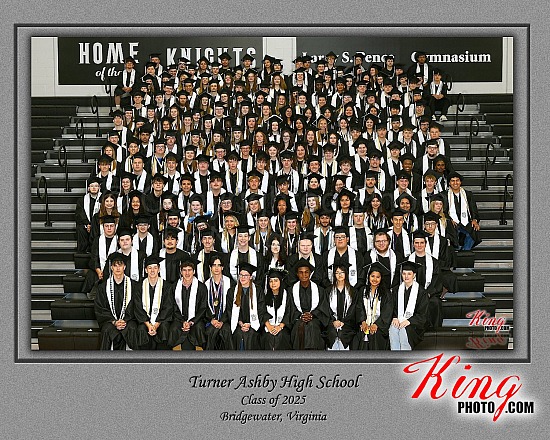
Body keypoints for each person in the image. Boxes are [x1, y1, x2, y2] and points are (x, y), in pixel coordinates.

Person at [94, 253, 138, 350]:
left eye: (120, 265)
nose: (118, 268)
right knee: (107, 330)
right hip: (110, 321)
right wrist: (114, 322)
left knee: (132, 328)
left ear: (124, 267)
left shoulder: (134, 286)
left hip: (128, 321)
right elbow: (100, 308)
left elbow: (136, 306)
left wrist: (124, 320)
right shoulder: (103, 287)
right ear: (111, 268)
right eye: (115, 265)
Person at [132, 255, 173, 349]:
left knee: (164, 328)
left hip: (161, 321)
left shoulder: (167, 286)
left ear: (159, 269)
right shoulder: (139, 286)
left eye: (155, 268)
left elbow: (168, 307)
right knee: (141, 329)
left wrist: (156, 325)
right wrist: (149, 325)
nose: (152, 270)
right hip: (145, 321)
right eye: (150, 268)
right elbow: (138, 307)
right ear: (146, 270)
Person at [167, 255, 208, 350]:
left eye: (189, 270)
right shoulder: (174, 287)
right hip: (179, 319)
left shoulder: (201, 287)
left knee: (198, 328)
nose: (187, 273)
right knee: (174, 329)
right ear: (181, 272)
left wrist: (192, 322)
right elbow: (173, 306)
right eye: (184, 270)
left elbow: (203, 308)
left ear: (194, 271)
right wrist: (182, 321)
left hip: (196, 320)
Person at [289, 259, 329, 350]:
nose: (304, 275)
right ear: (297, 274)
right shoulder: (291, 290)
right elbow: (290, 309)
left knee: (312, 325)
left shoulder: (320, 290)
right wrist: (301, 316)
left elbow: (323, 308)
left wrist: (312, 315)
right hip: (297, 319)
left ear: (310, 273)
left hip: (315, 319)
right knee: (300, 325)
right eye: (301, 272)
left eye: (306, 272)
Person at [225, 262, 267, 350]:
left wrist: (250, 324)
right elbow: (229, 310)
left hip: (253, 324)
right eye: (241, 275)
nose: (243, 277)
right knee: (238, 334)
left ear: (251, 277)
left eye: (246, 275)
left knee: (250, 335)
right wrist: (240, 322)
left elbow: (261, 310)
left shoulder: (258, 291)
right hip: (238, 324)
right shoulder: (232, 291)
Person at [389, 261, 428, 350]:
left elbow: (422, 314)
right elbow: (391, 307)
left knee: (404, 331)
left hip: (415, 324)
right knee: (393, 329)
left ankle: (405, 356)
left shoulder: (421, 292)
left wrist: (409, 321)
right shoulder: (396, 290)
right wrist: (394, 317)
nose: (406, 276)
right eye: (404, 274)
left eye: (409, 274)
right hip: (398, 320)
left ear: (414, 275)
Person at [357, 262, 393, 350]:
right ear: (368, 277)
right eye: (372, 276)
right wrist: (362, 321)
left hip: (380, 327)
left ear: (381, 278)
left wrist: (377, 324)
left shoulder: (386, 293)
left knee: (376, 335)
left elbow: (387, 312)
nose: (375, 279)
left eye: (378, 277)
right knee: (360, 334)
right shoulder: (362, 290)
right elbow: (359, 307)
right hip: (364, 324)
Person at [326, 262, 360, 350]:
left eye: (342, 272)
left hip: (348, 323)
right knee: (332, 333)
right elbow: (326, 308)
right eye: (337, 273)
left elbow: (353, 309)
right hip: (332, 323)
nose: (339, 275)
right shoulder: (328, 291)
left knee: (343, 334)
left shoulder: (353, 291)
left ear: (346, 274)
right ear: (334, 275)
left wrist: (344, 322)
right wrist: (333, 321)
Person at [203, 253, 234, 350]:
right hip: (211, 320)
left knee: (226, 331)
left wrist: (222, 321)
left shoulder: (230, 283)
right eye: (214, 265)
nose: (216, 268)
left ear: (222, 267)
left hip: (226, 319)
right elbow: (204, 306)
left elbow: (231, 306)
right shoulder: (205, 285)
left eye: (219, 265)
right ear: (210, 267)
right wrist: (212, 320)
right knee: (210, 332)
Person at [446, 171, 481, 250]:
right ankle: (458, 250)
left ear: (460, 182)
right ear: (449, 183)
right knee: (452, 232)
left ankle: (464, 252)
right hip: (452, 224)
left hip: (465, 222)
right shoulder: (444, 195)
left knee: (473, 231)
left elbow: (473, 209)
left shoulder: (468, 194)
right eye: (452, 181)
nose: (455, 183)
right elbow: (443, 211)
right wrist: (449, 219)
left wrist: (474, 220)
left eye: (457, 180)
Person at [262, 268, 293, 350]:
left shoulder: (287, 295)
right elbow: (261, 312)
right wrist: (269, 326)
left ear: (280, 282)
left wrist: (280, 326)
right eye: (271, 281)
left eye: (276, 281)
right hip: (268, 326)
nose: (273, 284)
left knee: (281, 336)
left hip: (283, 327)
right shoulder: (264, 295)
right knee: (268, 337)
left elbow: (289, 312)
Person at [75, 176, 101, 253]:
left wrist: (93, 224)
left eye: (96, 186)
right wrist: (87, 224)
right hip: (86, 224)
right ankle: (82, 251)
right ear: (88, 188)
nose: (94, 188)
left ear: (99, 188)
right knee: (80, 228)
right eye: (92, 186)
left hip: (98, 223)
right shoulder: (82, 200)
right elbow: (79, 214)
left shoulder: (103, 199)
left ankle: (94, 250)